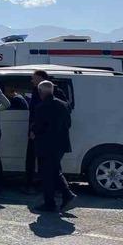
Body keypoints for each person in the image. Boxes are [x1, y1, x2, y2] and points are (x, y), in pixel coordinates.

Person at [31, 80, 76, 212]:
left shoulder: (41, 107)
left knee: (47, 174)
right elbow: (68, 124)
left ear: (40, 92)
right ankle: (63, 196)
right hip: (61, 144)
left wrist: (33, 132)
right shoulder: (64, 105)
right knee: (54, 170)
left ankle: (54, 201)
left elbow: (38, 127)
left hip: (45, 145)